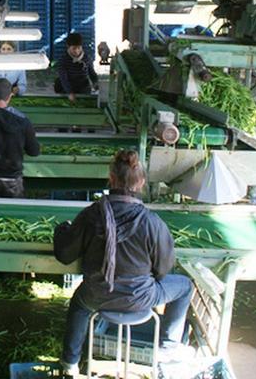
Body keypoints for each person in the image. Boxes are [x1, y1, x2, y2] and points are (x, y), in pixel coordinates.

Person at [56, 150, 193, 376]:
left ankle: (70, 363)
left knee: (80, 305)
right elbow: (163, 270)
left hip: (97, 293)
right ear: (141, 183)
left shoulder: (92, 215)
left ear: (111, 178)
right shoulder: (152, 222)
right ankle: (168, 349)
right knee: (185, 286)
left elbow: (65, 254)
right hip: (140, 296)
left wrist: (62, 230)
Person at [54, 32, 98, 103]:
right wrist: (70, 92)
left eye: (79, 48)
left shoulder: (86, 58)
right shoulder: (63, 60)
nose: (77, 51)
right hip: (68, 85)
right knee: (59, 85)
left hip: (82, 85)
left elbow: (92, 73)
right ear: (68, 47)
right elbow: (63, 79)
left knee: (84, 99)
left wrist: (95, 83)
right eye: (74, 48)